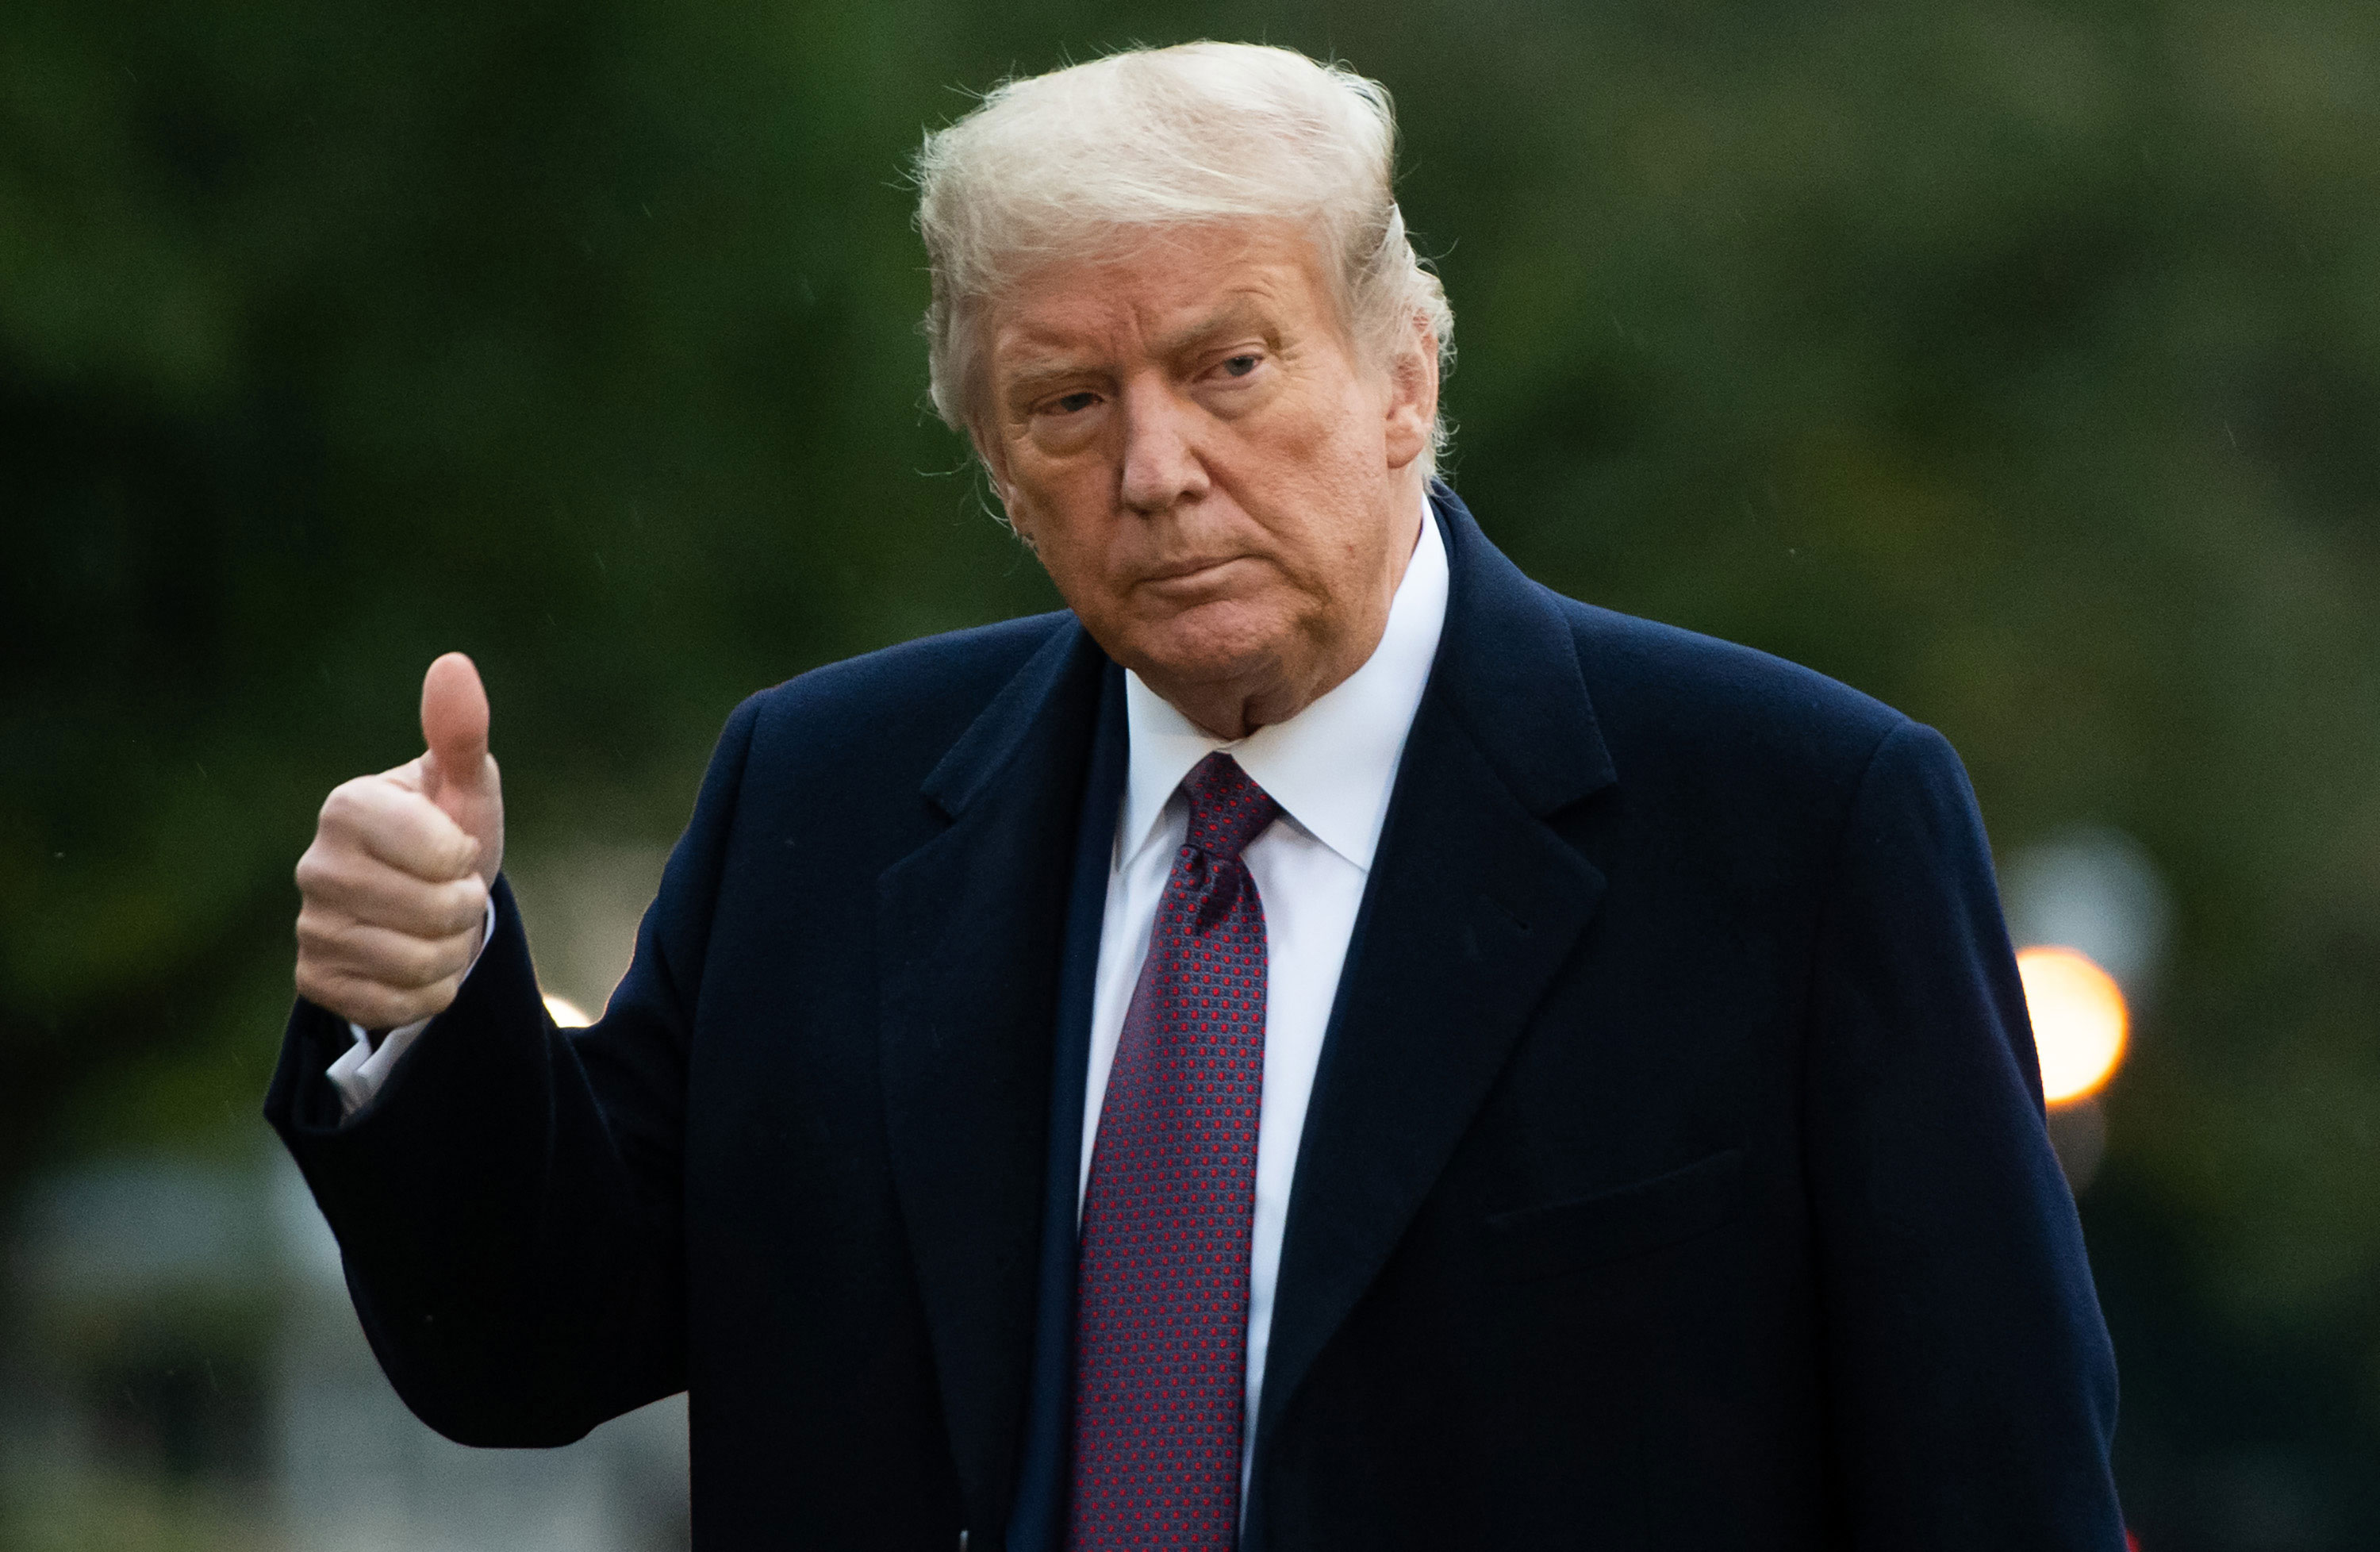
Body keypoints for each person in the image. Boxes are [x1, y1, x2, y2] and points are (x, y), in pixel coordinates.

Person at [267, 40, 2126, 1552]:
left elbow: (1996, 1480)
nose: (1156, 469)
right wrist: (421, 1006)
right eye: (1066, 405)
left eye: (1229, 368)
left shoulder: (1798, 825)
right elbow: (528, 1347)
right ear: (994, 462)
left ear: (1403, 374)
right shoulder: (820, 803)